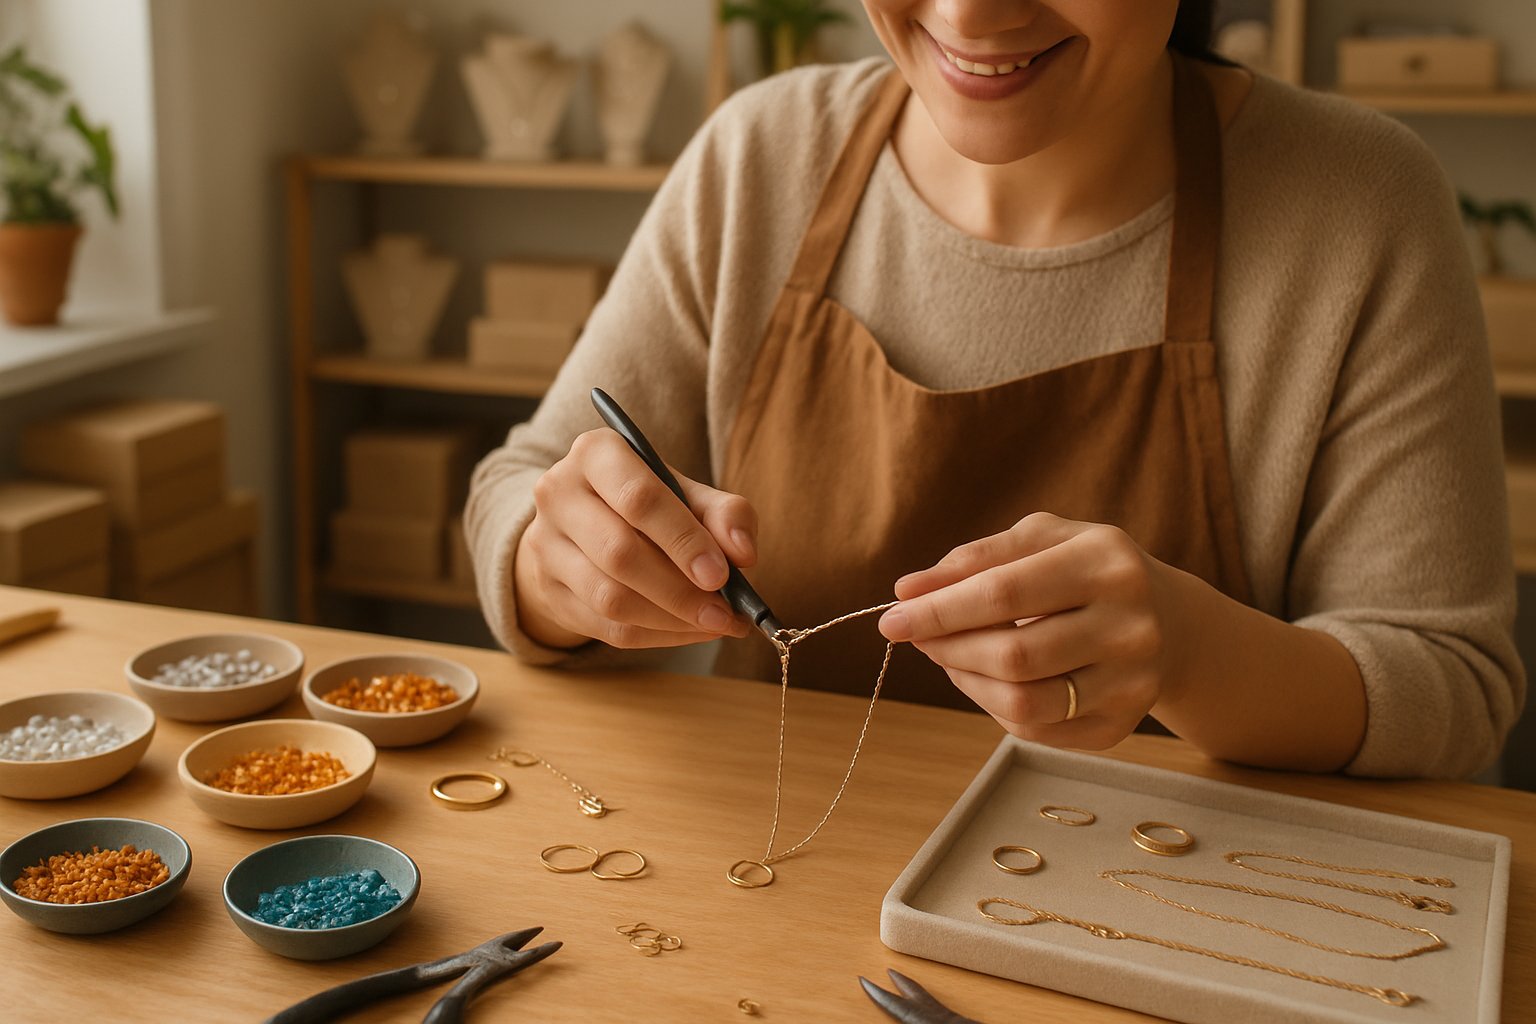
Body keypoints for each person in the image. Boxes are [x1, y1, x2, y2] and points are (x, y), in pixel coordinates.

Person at [466, 0, 1525, 780]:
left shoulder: (1363, 208)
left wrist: (1192, 652)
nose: (970, 13)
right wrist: (556, 569)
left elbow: (1452, 690)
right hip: (772, 903)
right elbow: (518, 489)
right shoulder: (760, 159)